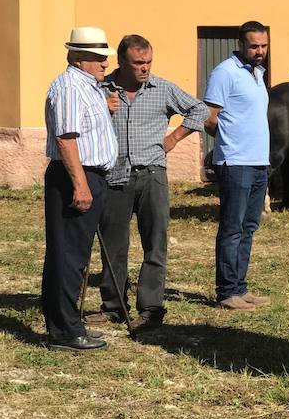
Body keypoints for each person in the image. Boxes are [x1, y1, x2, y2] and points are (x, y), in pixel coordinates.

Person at [84, 35, 209, 332]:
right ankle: (114, 307)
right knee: (114, 246)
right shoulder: (101, 89)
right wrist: (103, 108)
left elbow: (200, 109)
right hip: (114, 176)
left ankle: (151, 308)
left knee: (155, 243)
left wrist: (173, 139)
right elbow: (81, 121)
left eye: (149, 62)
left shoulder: (161, 88)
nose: (145, 69)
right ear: (122, 63)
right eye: (138, 63)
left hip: (152, 175)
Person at [42, 27, 119, 351]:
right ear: (76, 56)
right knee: (68, 256)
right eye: (97, 56)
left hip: (90, 176)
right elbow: (66, 138)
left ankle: (69, 323)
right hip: (77, 177)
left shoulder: (88, 86)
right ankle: (64, 331)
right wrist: (80, 185)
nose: (104, 62)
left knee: (75, 255)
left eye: (104, 56)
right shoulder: (71, 87)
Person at [203, 21, 272, 310]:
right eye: (254, 46)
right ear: (241, 45)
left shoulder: (258, 73)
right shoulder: (225, 72)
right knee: (232, 228)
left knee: (248, 226)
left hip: (259, 162)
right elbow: (209, 117)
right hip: (235, 163)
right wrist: (230, 141)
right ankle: (226, 291)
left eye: (264, 46)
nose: (259, 51)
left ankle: (240, 288)